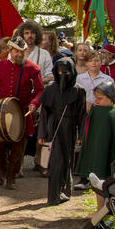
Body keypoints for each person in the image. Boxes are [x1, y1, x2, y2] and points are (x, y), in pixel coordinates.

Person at [0, 37, 43, 189]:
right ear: (10, 51)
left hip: (23, 111)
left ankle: (11, 177)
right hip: (2, 111)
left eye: (21, 52)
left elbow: (40, 90)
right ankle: (3, 171)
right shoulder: (0, 66)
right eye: (16, 51)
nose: (19, 54)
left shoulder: (33, 68)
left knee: (18, 150)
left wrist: (34, 104)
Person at [37, 57, 86, 205]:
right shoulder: (51, 89)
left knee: (67, 160)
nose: (63, 75)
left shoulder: (78, 91)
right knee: (56, 161)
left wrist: (81, 135)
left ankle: (64, 191)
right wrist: (42, 134)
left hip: (70, 128)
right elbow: (44, 113)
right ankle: (54, 196)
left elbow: (82, 115)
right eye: (60, 71)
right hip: (54, 127)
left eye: (67, 72)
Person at [76, 81, 115, 204]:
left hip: (105, 156)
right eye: (95, 99)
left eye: (100, 99)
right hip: (96, 152)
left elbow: (111, 138)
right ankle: (100, 208)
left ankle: (102, 209)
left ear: (110, 98)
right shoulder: (98, 112)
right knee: (98, 177)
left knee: (102, 176)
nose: (96, 102)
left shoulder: (110, 115)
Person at [15, 18, 53, 84]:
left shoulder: (44, 54)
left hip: (38, 92)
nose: (30, 35)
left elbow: (50, 77)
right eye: (26, 33)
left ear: (36, 35)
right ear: (22, 36)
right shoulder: (14, 53)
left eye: (32, 33)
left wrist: (35, 82)